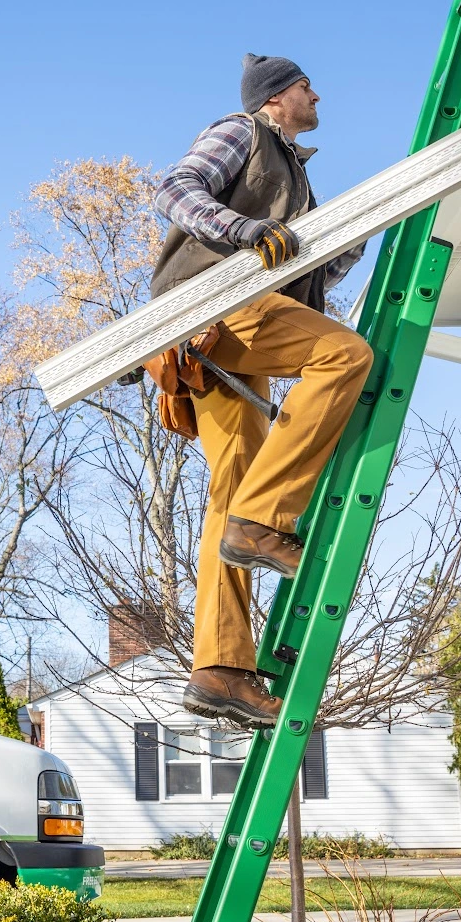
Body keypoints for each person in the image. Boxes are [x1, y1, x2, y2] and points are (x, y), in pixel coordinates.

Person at [145, 53, 373, 729]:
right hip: (216, 310)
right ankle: (265, 517)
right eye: (307, 85)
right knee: (342, 354)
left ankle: (220, 667)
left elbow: (309, 267)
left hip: (231, 337)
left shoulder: (296, 175)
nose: (317, 92)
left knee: (231, 488)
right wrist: (243, 231)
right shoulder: (243, 133)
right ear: (276, 97)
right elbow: (177, 188)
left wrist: (347, 240)